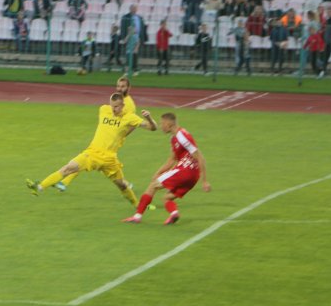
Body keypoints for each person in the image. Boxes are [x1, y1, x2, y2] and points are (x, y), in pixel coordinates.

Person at [26, 93, 157, 206]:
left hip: (110, 159)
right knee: (68, 168)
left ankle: (138, 207)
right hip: (92, 153)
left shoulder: (130, 117)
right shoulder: (104, 110)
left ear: (123, 105)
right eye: (112, 106)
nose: (113, 109)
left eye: (116, 106)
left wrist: (149, 118)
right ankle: (39, 187)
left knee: (122, 185)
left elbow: (153, 128)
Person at [123, 113, 210, 225]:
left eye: (162, 123)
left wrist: (205, 181)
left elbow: (200, 157)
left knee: (153, 186)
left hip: (185, 171)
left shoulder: (182, 136)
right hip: (193, 176)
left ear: (169, 124)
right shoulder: (174, 138)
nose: (161, 126)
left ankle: (137, 217)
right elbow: (172, 160)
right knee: (167, 198)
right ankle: (174, 214)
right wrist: (159, 172)